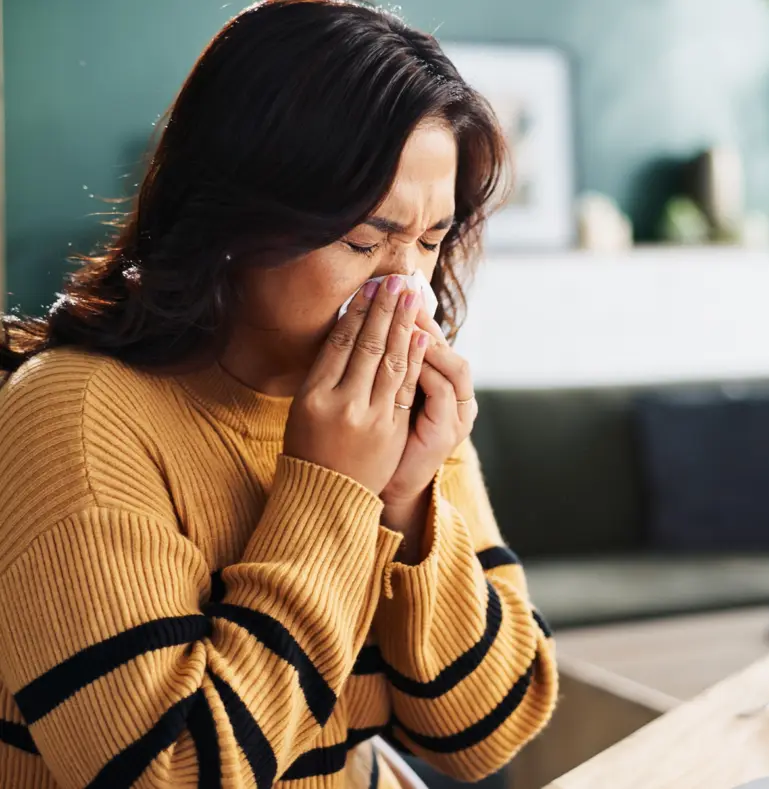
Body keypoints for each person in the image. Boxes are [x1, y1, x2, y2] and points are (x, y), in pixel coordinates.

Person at [0, 2, 558, 787]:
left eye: (431, 241)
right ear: (236, 212)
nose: (407, 289)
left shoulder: (400, 401)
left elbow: (484, 732)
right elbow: (170, 771)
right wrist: (332, 489)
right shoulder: (77, 415)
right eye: (364, 239)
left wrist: (408, 496)